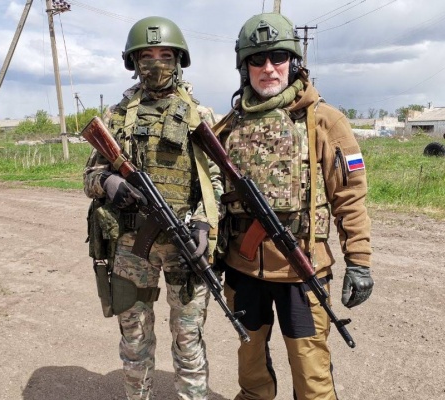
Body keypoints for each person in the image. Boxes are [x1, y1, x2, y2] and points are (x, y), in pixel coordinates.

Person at [214, 12, 374, 400]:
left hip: (302, 269)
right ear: (244, 67)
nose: (268, 68)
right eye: (257, 59)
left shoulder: (325, 121)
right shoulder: (228, 127)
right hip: (242, 269)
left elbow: (350, 197)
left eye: (278, 57)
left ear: (294, 61)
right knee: (250, 366)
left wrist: (359, 261)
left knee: (311, 372)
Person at [83, 16, 221, 400]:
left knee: (188, 338)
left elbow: (217, 181)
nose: (156, 63)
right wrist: (108, 182)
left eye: (165, 55)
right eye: (147, 56)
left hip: (184, 246)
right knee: (135, 340)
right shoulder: (117, 116)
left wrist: (204, 222)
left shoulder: (199, 116)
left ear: (178, 61)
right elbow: (89, 178)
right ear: (134, 61)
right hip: (131, 246)